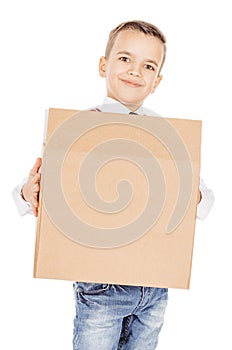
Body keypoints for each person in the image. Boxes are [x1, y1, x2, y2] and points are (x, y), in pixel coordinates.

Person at [12, 20, 214, 350]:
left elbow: (205, 202)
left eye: (148, 66)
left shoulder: (167, 137)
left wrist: (194, 194)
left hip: (154, 287)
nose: (135, 71)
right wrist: (27, 192)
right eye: (124, 59)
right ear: (103, 65)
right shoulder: (76, 130)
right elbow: (27, 194)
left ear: (156, 81)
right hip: (100, 288)